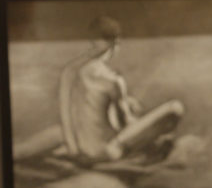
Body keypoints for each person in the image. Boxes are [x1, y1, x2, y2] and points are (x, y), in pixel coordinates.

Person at [57, 15, 183, 165]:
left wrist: (126, 102)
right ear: (116, 43)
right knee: (175, 108)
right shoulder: (113, 80)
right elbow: (126, 124)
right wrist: (138, 115)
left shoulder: (68, 72)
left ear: (92, 40)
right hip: (106, 152)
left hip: (77, 150)